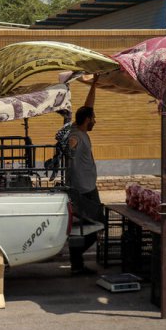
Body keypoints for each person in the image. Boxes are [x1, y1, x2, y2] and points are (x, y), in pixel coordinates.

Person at [67, 75, 103, 275]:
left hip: (88, 188)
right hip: (84, 190)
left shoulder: (78, 128)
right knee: (96, 226)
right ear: (87, 120)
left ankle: (76, 263)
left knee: (90, 226)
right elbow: (70, 147)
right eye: (93, 119)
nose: (95, 121)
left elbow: (88, 105)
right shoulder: (75, 135)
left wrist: (94, 85)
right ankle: (76, 259)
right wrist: (70, 148)